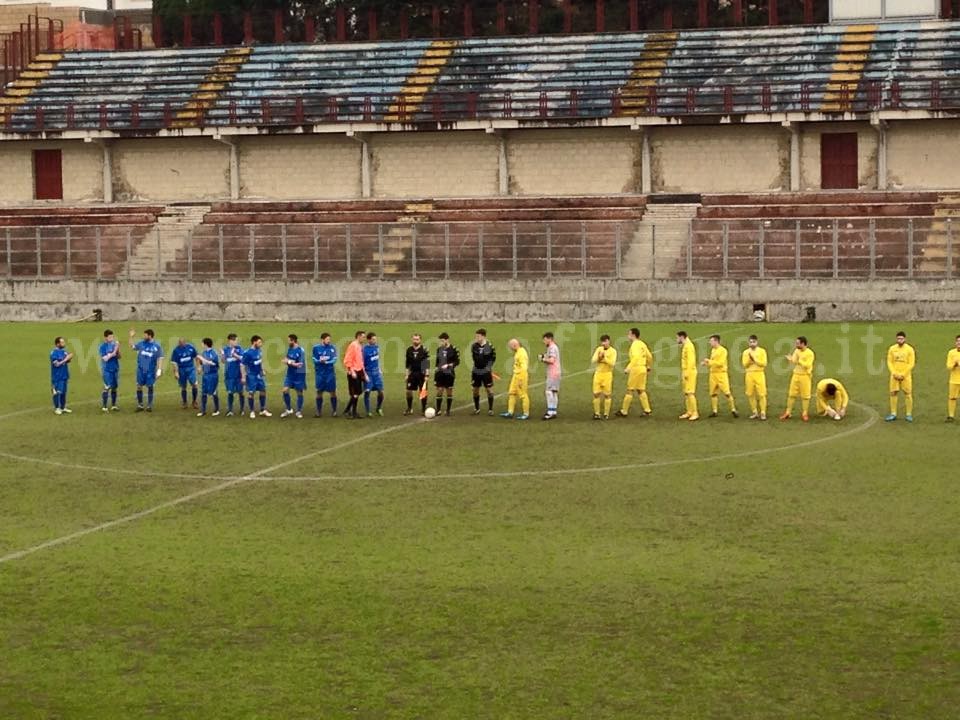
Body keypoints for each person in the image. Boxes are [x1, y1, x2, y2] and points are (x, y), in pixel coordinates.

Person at [617, 327, 652, 418]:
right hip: (643, 369)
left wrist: (628, 368)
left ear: (633, 335)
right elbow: (649, 356)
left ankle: (624, 411)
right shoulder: (642, 344)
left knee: (630, 390)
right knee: (641, 390)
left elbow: (636, 358)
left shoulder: (634, 345)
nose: (628, 336)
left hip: (636, 369)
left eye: (629, 334)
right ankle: (647, 409)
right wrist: (648, 366)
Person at [702, 334, 738, 418]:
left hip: (721, 374)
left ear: (716, 341)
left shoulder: (723, 351)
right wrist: (706, 364)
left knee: (727, 393)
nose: (709, 343)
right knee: (713, 393)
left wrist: (709, 361)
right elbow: (713, 362)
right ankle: (714, 411)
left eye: (711, 341)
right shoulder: (713, 350)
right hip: (713, 374)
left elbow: (720, 363)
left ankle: (733, 410)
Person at [781, 336, 815, 422]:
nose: (796, 345)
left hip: (805, 376)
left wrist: (798, 360)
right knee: (791, 394)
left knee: (805, 396)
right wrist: (791, 359)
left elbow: (807, 365)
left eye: (798, 343)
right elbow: (794, 360)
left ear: (803, 344)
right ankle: (788, 412)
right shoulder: (797, 351)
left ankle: (805, 413)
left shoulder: (810, 353)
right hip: (796, 375)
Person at [129, 328, 164, 412]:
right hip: (141, 369)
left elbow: (160, 358)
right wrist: (131, 337)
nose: (143, 336)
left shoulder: (157, 346)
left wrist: (159, 370)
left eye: (145, 335)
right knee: (139, 386)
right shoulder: (141, 343)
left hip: (150, 370)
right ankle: (140, 404)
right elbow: (132, 347)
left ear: (150, 336)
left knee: (150, 386)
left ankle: (149, 405)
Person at [886, 331, 916, 422]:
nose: (900, 340)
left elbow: (911, 363)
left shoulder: (909, 349)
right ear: (896, 339)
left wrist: (903, 374)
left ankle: (909, 414)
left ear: (905, 339)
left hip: (905, 376)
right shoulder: (892, 349)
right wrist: (893, 373)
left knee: (907, 393)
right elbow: (889, 362)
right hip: (894, 375)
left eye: (901, 339)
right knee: (893, 393)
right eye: (898, 338)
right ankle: (893, 413)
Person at [241, 335, 271, 419]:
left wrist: (262, 370)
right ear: (254, 342)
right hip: (251, 375)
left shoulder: (259, 350)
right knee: (251, 393)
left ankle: (262, 410)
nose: (261, 344)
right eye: (259, 342)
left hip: (259, 375)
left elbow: (260, 361)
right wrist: (243, 377)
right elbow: (242, 365)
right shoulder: (247, 353)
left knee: (263, 391)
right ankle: (252, 411)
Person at [500, 338, 529, 420]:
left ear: (514, 345)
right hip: (516, 375)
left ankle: (526, 413)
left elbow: (524, 367)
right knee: (512, 393)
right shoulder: (518, 352)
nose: (510, 348)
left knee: (523, 394)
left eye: (510, 346)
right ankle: (510, 412)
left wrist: (521, 378)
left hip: (521, 376)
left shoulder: (522, 353)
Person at [741, 334, 768, 420]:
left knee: (761, 394)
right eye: (750, 342)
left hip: (759, 374)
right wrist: (750, 360)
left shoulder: (762, 351)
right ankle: (754, 412)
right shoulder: (745, 352)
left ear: (757, 342)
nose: (752, 343)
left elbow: (764, 363)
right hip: (749, 374)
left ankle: (763, 412)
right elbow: (744, 364)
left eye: (754, 342)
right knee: (750, 393)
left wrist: (755, 360)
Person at [470, 328, 497, 416]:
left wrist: (488, 367)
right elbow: (475, 358)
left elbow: (493, 358)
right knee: (475, 390)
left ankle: (490, 409)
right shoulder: (474, 346)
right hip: (476, 371)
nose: (477, 338)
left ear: (483, 336)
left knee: (489, 389)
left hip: (486, 371)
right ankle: (477, 408)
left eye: (478, 336)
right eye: (476, 336)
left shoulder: (490, 346)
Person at [312, 332, 338, 417]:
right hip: (320, 374)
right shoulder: (316, 348)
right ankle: (318, 412)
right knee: (319, 392)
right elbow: (314, 359)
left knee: (333, 392)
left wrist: (326, 362)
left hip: (330, 374)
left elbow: (334, 359)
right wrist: (319, 361)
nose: (329, 341)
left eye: (329, 339)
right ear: (322, 340)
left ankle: (334, 411)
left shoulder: (332, 348)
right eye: (327, 339)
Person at [591, 334, 617, 420]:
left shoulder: (613, 351)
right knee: (596, 394)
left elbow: (612, 363)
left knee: (607, 395)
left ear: (609, 341)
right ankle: (597, 413)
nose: (603, 343)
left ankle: (606, 414)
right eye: (602, 342)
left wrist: (604, 358)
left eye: (605, 341)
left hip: (607, 374)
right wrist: (599, 357)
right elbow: (593, 360)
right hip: (598, 374)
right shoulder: (599, 349)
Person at [342, 330, 367, 419]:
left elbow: (360, 361)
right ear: (358, 337)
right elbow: (347, 359)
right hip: (354, 372)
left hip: (359, 371)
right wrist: (351, 371)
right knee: (355, 393)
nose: (364, 339)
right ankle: (353, 412)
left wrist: (364, 373)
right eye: (363, 337)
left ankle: (348, 410)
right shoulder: (353, 345)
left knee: (358, 392)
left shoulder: (360, 346)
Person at [434, 332, 460, 416]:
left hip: (449, 374)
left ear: (447, 340)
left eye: (442, 341)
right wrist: (436, 370)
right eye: (440, 341)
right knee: (439, 391)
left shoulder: (454, 349)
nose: (441, 343)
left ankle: (448, 410)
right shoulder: (439, 349)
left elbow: (457, 362)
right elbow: (437, 362)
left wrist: (448, 365)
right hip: (440, 374)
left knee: (449, 391)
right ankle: (438, 410)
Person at [281, 333, 306, 419]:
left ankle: (298, 411)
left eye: (289, 340)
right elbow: (286, 358)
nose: (288, 342)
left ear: (293, 340)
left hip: (299, 374)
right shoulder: (290, 349)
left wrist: (288, 362)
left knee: (299, 392)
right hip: (290, 374)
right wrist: (286, 360)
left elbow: (299, 364)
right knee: (285, 390)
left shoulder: (301, 351)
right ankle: (288, 409)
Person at [170, 338, 200, 410]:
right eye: (179, 343)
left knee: (194, 384)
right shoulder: (176, 351)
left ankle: (194, 401)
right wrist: (176, 372)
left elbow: (196, 357)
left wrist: (198, 366)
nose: (181, 344)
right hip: (181, 370)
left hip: (191, 369)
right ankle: (184, 402)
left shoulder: (191, 347)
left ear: (185, 343)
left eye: (182, 343)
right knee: (183, 386)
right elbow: (174, 363)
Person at [404, 333, 430, 416]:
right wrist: (407, 374)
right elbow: (407, 364)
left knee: (423, 391)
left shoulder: (424, 350)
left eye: (417, 339)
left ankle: (423, 409)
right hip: (412, 373)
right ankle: (409, 408)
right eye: (414, 339)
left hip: (421, 374)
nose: (416, 341)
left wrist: (427, 375)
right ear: (412, 340)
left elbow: (426, 363)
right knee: (408, 391)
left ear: (420, 340)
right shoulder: (409, 350)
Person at [677, 330, 699, 421]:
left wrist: (687, 373)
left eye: (677, 337)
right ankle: (689, 411)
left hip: (690, 372)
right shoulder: (686, 345)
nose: (676, 339)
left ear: (682, 337)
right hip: (686, 371)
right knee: (686, 393)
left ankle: (695, 413)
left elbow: (691, 361)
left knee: (690, 393)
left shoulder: (689, 346)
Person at [196, 337, 221, 417]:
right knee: (203, 392)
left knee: (213, 392)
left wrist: (203, 359)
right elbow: (201, 362)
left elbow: (214, 363)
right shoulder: (204, 353)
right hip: (205, 375)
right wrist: (199, 367)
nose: (201, 344)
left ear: (205, 344)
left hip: (213, 375)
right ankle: (203, 410)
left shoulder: (213, 353)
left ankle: (217, 409)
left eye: (202, 343)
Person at [363, 332, 385, 417]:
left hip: (377, 374)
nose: (375, 341)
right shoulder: (364, 350)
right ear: (368, 340)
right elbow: (362, 363)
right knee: (367, 392)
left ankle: (378, 408)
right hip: (368, 373)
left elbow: (376, 360)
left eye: (375, 339)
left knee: (381, 392)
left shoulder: (377, 347)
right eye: (373, 339)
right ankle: (368, 411)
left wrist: (379, 369)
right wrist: (365, 375)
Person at [540, 331, 561, 420]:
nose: (544, 342)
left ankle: (550, 412)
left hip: (553, 373)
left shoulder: (552, 347)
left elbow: (552, 360)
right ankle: (554, 411)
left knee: (548, 391)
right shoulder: (553, 347)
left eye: (545, 340)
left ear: (549, 339)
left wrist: (543, 359)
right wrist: (545, 356)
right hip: (557, 372)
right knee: (554, 392)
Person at [50, 336, 73, 415]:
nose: (64, 343)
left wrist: (69, 358)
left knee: (63, 392)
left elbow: (68, 360)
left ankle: (63, 407)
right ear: (57, 344)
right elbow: (56, 364)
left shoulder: (64, 351)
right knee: (57, 392)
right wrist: (66, 359)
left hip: (64, 375)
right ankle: (57, 408)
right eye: (62, 342)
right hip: (57, 376)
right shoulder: (53, 353)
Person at [222, 333, 244, 417]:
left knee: (240, 392)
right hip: (229, 375)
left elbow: (243, 359)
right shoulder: (225, 349)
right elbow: (223, 361)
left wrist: (236, 355)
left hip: (238, 375)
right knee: (230, 392)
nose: (236, 342)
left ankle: (242, 409)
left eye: (236, 340)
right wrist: (223, 354)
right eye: (234, 340)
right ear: (229, 341)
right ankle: (230, 410)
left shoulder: (239, 349)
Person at [99, 328, 121, 412]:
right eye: (110, 337)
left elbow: (119, 357)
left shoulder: (114, 345)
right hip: (106, 370)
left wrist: (118, 350)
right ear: (105, 338)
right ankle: (104, 406)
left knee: (114, 387)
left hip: (115, 368)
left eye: (112, 337)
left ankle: (113, 405)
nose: (112, 339)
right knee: (107, 387)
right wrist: (114, 351)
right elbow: (105, 358)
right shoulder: (102, 347)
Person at [947, 335, 960, 422]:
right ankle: (951, 416)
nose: (959, 343)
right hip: (954, 380)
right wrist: (954, 365)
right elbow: (948, 366)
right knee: (952, 398)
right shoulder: (951, 353)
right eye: (958, 341)